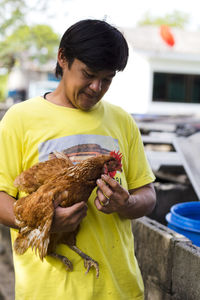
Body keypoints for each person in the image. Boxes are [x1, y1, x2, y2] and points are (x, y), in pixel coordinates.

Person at [0, 19, 156, 300]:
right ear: (63, 58)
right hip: (47, 293)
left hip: (119, 289)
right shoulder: (20, 120)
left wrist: (127, 203)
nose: (97, 87)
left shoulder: (122, 121)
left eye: (107, 79)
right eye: (89, 74)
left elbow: (147, 194)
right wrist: (45, 220)